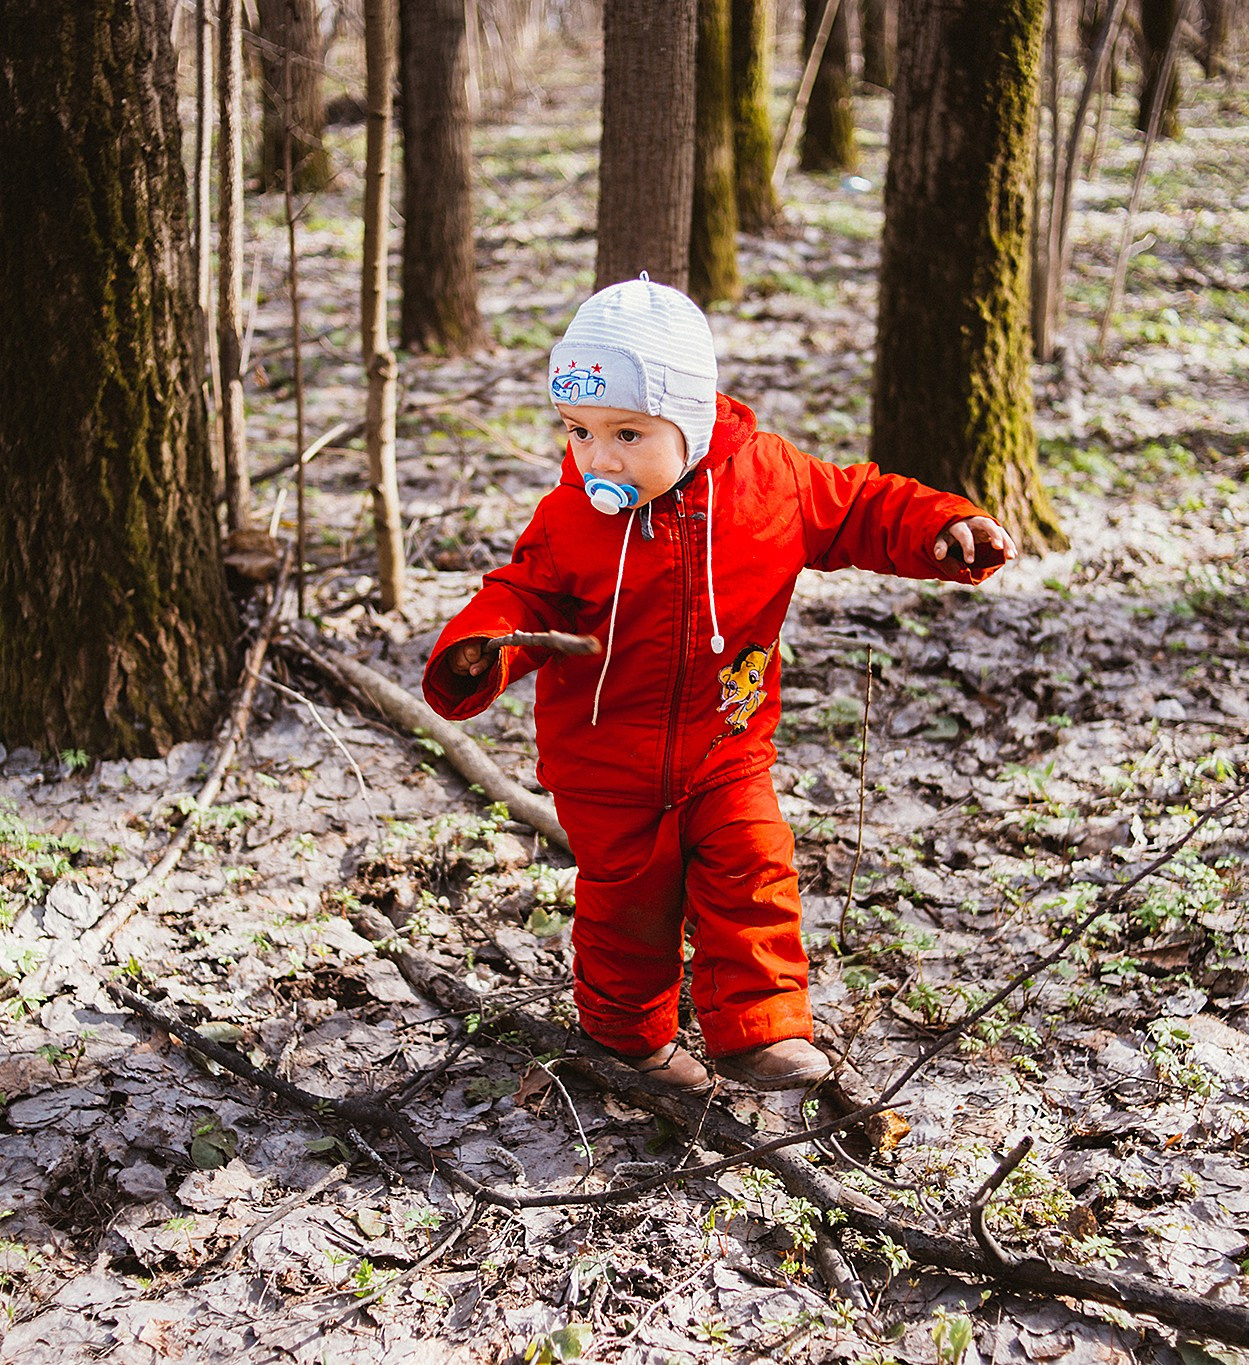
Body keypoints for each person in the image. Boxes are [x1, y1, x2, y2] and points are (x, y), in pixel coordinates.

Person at [421, 276, 1017, 1092]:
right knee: (626, 909)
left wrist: (941, 525)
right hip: (604, 759)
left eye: (627, 433)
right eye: (579, 432)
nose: (598, 457)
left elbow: (861, 506)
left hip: (726, 742)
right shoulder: (570, 517)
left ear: (691, 418)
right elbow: (523, 596)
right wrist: (479, 647)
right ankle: (629, 1041)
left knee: (754, 869)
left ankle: (759, 1030)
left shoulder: (771, 482)